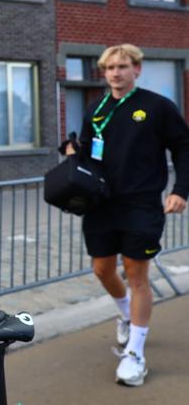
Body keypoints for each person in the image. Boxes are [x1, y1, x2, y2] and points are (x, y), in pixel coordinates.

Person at [67, 44, 189, 387]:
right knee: (102, 269)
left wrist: (181, 190)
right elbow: (88, 151)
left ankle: (135, 353)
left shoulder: (157, 106)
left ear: (137, 69)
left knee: (137, 274)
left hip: (142, 204)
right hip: (101, 205)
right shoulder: (97, 108)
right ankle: (127, 316)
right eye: (110, 68)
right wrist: (72, 154)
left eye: (122, 66)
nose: (116, 73)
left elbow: (183, 146)